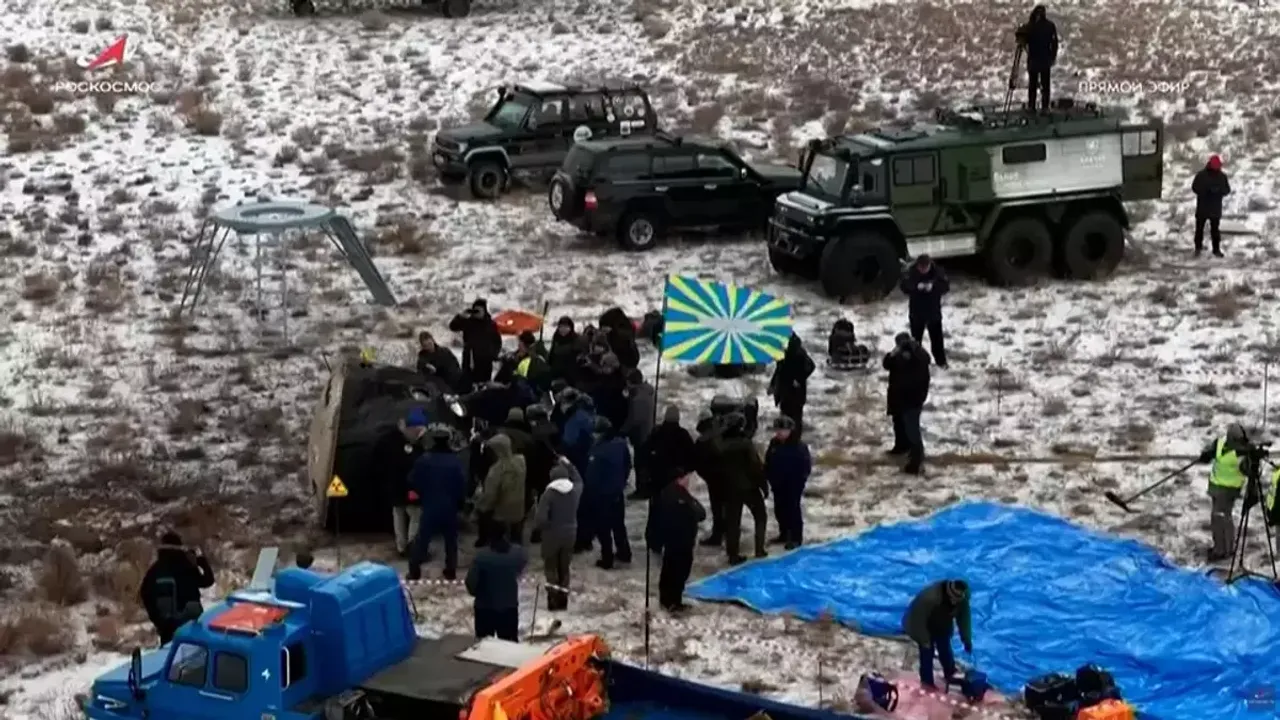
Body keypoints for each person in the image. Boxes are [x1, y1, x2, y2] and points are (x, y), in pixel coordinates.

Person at [407, 424, 467, 580]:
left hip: (430, 505)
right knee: (451, 541)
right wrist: (460, 502)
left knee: (422, 539)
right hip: (450, 506)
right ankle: (450, 570)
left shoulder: (424, 460)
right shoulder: (455, 461)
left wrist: (422, 494)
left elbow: (413, 480)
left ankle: (414, 570)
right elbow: (462, 483)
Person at [139, 531, 215, 645]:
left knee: (170, 653)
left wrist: (159, 621)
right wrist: (200, 561)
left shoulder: (155, 571)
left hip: (168, 628)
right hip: (191, 625)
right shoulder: (187, 566)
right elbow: (207, 581)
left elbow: (145, 594)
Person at [1195, 422, 1256, 561]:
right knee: (1221, 518)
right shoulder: (1220, 443)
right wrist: (1206, 455)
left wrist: (1250, 464)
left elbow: (1248, 471)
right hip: (1216, 486)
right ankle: (1223, 548)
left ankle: (1222, 550)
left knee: (1220, 518)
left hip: (1229, 490)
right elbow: (1211, 452)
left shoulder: (1243, 454)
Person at [374, 409, 427, 557]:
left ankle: (401, 547)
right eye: (417, 431)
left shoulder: (388, 440)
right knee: (416, 515)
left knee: (398, 515)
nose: (419, 434)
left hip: (394, 486)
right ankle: (413, 547)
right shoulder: (409, 445)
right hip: (409, 488)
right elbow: (411, 466)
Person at [717, 413, 768, 564]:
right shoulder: (746, 444)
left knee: (732, 522)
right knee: (760, 516)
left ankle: (732, 554)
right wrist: (763, 485)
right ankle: (759, 549)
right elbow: (755, 466)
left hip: (729, 488)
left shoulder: (720, 445)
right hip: (748, 487)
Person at [903, 580, 973, 690]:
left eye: (958, 600)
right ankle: (927, 682)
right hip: (923, 625)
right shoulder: (929, 598)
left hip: (942, 624)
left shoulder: (962, 600)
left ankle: (950, 673)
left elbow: (964, 620)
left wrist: (966, 640)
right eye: (954, 599)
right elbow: (916, 620)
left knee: (945, 649)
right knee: (927, 653)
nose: (955, 602)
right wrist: (924, 640)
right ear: (949, 594)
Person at [584, 417, 633, 568]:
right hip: (617, 492)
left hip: (601, 495)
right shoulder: (621, 444)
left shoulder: (597, 451)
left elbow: (591, 477)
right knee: (618, 524)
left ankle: (607, 558)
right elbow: (627, 465)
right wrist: (622, 481)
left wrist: (589, 494)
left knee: (603, 527)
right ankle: (624, 552)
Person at [654, 470, 706, 612]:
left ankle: (666, 600)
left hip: (670, 541)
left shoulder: (664, 493)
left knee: (668, 571)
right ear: (680, 479)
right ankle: (674, 602)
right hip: (683, 542)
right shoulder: (682, 496)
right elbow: (701, 514)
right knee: (679, 573)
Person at [534, 461, 583, 611]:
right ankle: (563, 600)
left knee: (551, 567)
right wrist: (569, 465)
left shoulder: (548, 494)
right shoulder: (574, 490)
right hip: (570, 534)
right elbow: (579, 480)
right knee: (564, 567)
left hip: (552, 535)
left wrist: (545, 528)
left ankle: (553, 599)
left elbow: (540, 519)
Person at [884, 333, 931, 476]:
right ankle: (901, 447)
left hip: (912, 399)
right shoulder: (899, 355)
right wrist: (894, 353)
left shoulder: (919, 355)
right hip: (899, 397)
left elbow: (923, 361)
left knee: (912, 429)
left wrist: (912, 351)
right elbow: (887, 364)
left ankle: (916, 460)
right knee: (899, 424)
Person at [465, 533, 527, 641]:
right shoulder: (517, 554)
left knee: (484, 644)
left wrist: (477, 593)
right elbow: (521, 565)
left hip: (485, 607)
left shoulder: (481, 557)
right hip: (509, 607)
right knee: (509, 644)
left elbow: (471, 582)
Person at [764, 416, 812, 550]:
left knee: (793, 511)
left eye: (783, 430)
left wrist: (799, 482)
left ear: (790, 431)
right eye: (778, 430)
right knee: (779, 510)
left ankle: (796, 538)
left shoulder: (799, 446)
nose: (779, 433)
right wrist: (769, 476)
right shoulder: (774, 443)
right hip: (777, 484)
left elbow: (805, 467)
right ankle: (784, 534)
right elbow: (768, 460)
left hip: (792, 485)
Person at [636, 405, 695, 501]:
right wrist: (684, 470)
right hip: (676, 478)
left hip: (657, 476)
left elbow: (644, 451)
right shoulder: (683, 435)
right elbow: (693, 457)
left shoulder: (657, 433)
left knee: (657, 503)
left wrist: (646, 470)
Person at [900, 254, 949, 368]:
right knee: (915, 341)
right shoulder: (911, 272)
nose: (922, 270)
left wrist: (933, 287)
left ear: (929, 265)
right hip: (916, 312)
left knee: (937, 340)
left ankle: (941, 362)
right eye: (920, 268)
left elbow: (946, 286)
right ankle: (916, 362)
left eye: (925, 268)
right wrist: (916, 286)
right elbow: (904, 286)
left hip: (933, 311)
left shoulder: (938, 272)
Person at [449, 298, 503, 388]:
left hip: (485, 360)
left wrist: (493, 354)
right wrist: (460, 317)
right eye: (475, 310)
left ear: (484, 310)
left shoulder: (490, 324)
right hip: (470, 358)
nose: (477, 313)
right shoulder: (468, 322)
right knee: (468, 382)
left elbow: (497, 341)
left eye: (479, 310)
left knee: (484, 384)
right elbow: (453, 327)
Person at [769, 333, 816, 436]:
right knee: (785, 416)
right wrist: (772, 385)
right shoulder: (783, 353)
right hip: (784, 391)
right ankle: (786, 438)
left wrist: (798, 380)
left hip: (796, 394)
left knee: (796, 419)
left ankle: (795, 439)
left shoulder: (799, 352)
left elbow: (811, 366)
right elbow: (779, 370)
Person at [693, 410, 728, 547]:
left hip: (714, 480)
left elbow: (697, 463)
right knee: (727, 507)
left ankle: (717, 536)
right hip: (727, 476)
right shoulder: (722, 433)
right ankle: (727, 532)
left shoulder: (702, 441)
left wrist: (707, 476)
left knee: (717, 508)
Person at [1016, 5, 1058, 113]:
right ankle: (1044, 108)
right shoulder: (1050, 26)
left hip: (1034, 59)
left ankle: (1032, 107)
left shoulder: (1030, 26)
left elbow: (1021, 37)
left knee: (1033, 85)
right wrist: (1053, 57)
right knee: (1045, 85)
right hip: (1045, 59)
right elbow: (1054, 43)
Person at [621, 368, 656, 495]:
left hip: (642, 435)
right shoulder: (646, 391)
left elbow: (634, 419)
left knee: (640, 463)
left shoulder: (638, 399)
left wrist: (622, 431)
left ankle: (642, 490)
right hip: (647, 431)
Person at [1191, 155, 1231, 258]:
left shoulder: (1222, 176)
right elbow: (1194, 188)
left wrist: (1218, 191)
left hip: (1214, 208)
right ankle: (1198, 248)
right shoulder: (1201, 175)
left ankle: (1216, 250)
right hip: (1203, 207)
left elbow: (1227, 190)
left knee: (1215, 231)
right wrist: (1205, 191)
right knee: (1199, 229)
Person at [548, 316, 586, 385]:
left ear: (570, 328)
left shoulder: (576, 339)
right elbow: (552, 356)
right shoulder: (556, 338)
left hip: (571, 376)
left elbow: (577, 359)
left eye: (566, 327)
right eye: (561, 327)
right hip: (556, 374)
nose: (563, 329)